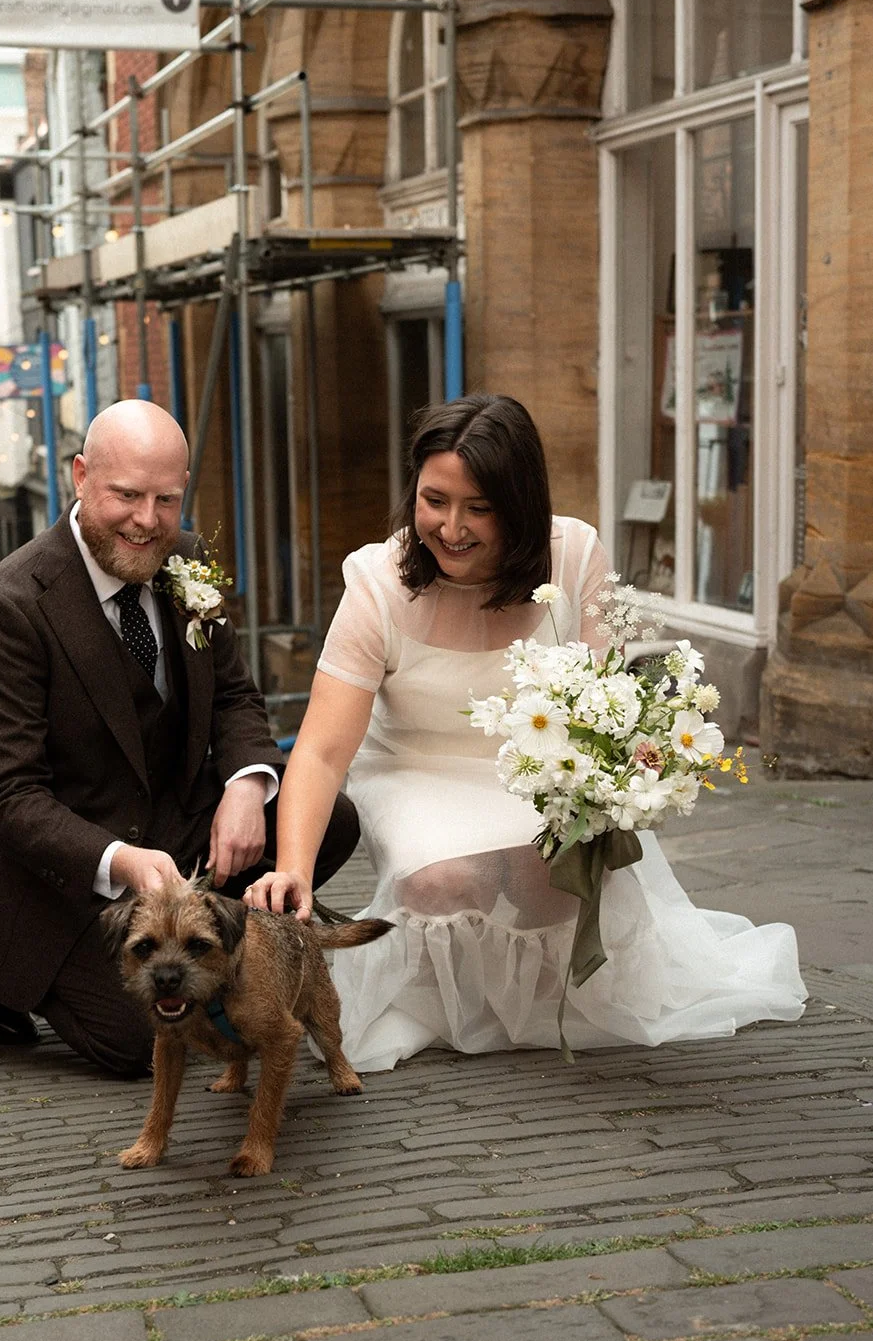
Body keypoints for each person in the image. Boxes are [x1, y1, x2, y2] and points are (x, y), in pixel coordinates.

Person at [247, 395, 806, 1073]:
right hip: (415, 767)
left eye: (478, 508)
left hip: (541, 768)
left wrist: (624, 769)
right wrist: (293, 870)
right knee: (441, 878)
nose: (450, 528)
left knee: (551, 874)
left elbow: (607, 706)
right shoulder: (377, 582)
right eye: (434, 500)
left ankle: (546, 1000)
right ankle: (444, 1001)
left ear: (519, 503)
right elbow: (323, 747)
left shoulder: (573, 555)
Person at [0, 399, 359, 1075]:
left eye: (166, 499)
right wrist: (123, 861)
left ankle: (222, 943)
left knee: (326, 815)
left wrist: (247, 784)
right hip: (55, 874)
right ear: (79, 476)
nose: (146, 521)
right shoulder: (6, 606)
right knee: (148, 1045)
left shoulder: (186, 557)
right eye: (125, 495)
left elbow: (235, 695)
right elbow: (6, 795)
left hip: (169, 826)